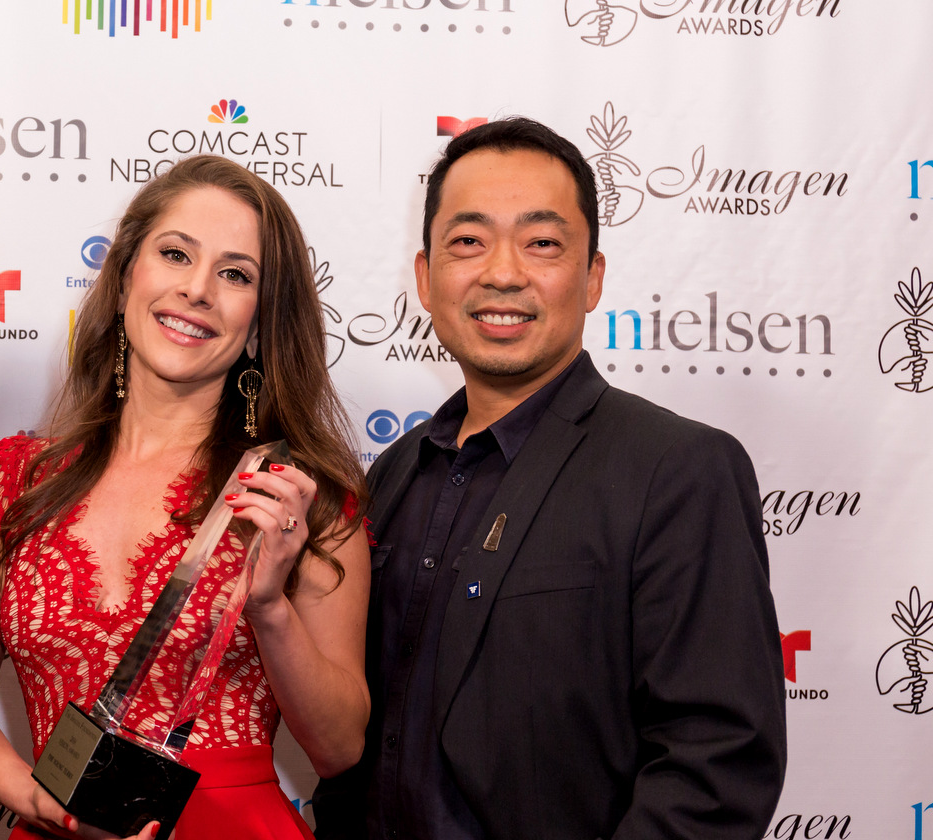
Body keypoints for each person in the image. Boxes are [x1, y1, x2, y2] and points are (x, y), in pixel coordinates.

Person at [311, 117, 786, 840]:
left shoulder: (678, 470)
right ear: (424, 279)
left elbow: (717, 769)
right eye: (468, 242)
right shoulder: (397, 474)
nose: (503, 272)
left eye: (542, 243)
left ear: (592, 277)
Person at [0, 155, 370, 840]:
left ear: (258, 323)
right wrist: (38, 799)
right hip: (52, 827)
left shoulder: (302, 499)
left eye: (235, 274)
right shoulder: (16, 481)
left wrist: (269, 607)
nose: (197, 290)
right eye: (175, 254)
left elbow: (339, 746)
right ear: (128, 273)